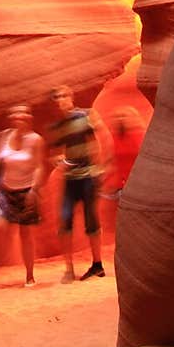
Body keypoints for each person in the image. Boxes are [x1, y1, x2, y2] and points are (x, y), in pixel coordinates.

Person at [46, 86, 108, 282]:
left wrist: (102, 167)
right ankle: (69, 269)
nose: (61, 100)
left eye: (64, 95)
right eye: (56, 97)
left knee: (92, 221)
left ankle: (98, 265)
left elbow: (101, 138)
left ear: (71, 96)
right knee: (65, 221)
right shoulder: (58, 126)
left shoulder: (87, 115)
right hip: (71, 178)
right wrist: (58, 160)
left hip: (89, 175)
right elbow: (53, 152)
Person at [0, 105, 46, 287]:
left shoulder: (36, 140)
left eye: (22, 113)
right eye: (14, 114)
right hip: (5, 190)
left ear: (29, 118)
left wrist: (34, 189)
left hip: (26, 190)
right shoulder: (4, 137)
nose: (18, 116)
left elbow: (38, 166)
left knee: (25, 234)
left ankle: (29, 276)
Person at [102, 106, 146, 202]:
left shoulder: (141, 135)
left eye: (123, 116)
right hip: (122, 186)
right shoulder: (113, 138)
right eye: (117, 117)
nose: (121, 119)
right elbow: (109, 161)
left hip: (140, 183)